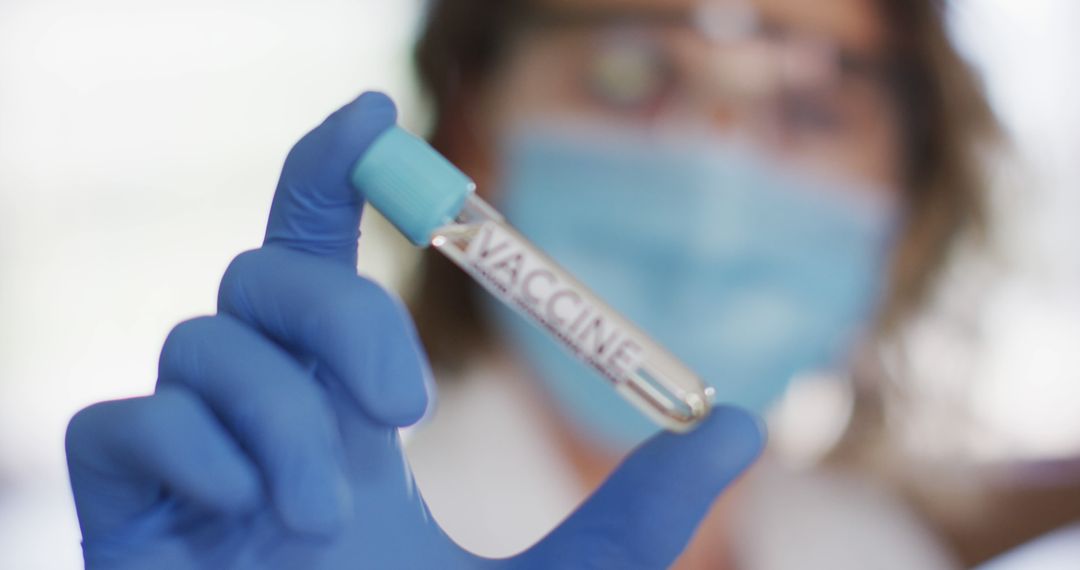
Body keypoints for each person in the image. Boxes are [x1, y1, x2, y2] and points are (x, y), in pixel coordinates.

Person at [64, 0, 1000, 568]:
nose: (718, 158)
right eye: (630, 73)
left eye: (812, 105)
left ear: (907, 193)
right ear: (474, 130)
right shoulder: (307, 530)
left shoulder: (870, 551)